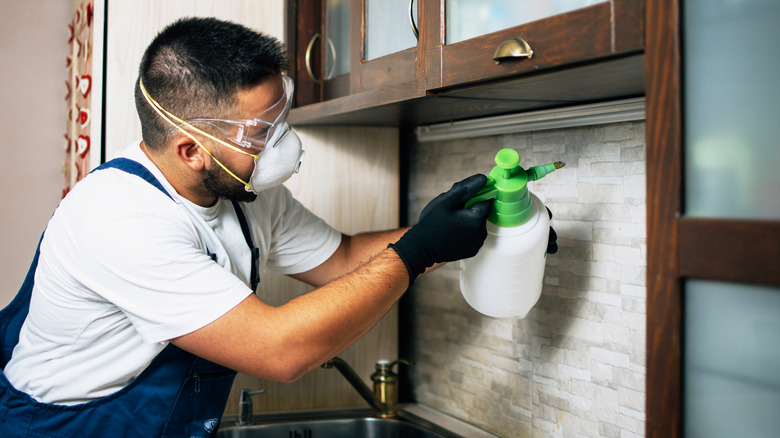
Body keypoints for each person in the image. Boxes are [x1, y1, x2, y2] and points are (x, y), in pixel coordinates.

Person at [0, 17, 553, 437]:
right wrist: (419, 252)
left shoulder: (245, 193)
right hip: (67, 426)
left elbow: (342, 260)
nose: (284, 145)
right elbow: (280, 351)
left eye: (281, 119)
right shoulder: (121, 222)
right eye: (264, 132)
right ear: (192, 149)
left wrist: (469, 226)